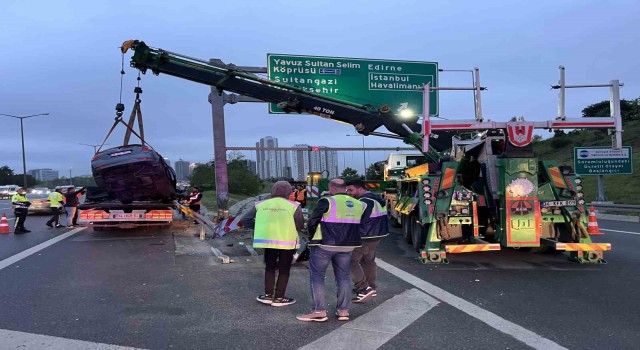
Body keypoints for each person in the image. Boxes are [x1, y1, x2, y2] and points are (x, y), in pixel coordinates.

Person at [296, 179, 365, 322]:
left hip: (324, 245)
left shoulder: (327, 201)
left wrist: (311, 237)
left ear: (332, 188)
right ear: (345, 189)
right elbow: (361, 224)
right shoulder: (359, 204)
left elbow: (313, 221)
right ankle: (343, 311)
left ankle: (319, 310)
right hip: (347, 246)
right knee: (343, 276)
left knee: (317, 276)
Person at [241, 181, 304, 307]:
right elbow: (300, 225)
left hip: (268, 241)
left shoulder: (260, 204)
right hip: (287, 241)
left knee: (270, 267)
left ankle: (268, 296)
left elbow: (245, 219)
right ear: (288, 192)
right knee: (284, 269)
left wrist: (258, 227)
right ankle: (280, 298)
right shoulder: (294, 205)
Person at [346, 179, 389, 303]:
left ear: (360, 189)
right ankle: (372, 287)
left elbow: (357, 220)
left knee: (350, 261)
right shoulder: (376, 198)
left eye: (351, 190)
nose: (349, 193)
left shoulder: (363, 202)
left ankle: (363, 288)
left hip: (364, 236)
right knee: (368, 261)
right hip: (377, 235)